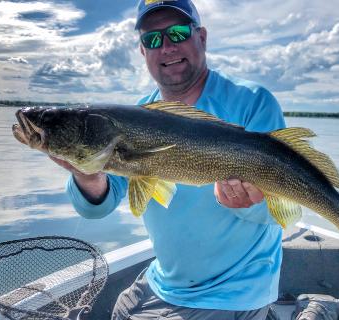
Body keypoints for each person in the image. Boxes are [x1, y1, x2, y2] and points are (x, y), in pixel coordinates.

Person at [53, 1, 287, 319]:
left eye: (177, 33)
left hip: (231, 292)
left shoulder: (252, 103)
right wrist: (87, 175)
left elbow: (279, 211)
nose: (166, 46)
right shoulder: (136, 116)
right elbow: (102, 205)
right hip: (164, 281)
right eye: (152, 39)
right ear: (142, 50)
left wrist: (252, 201)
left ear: (201, 37)